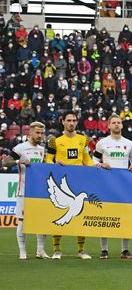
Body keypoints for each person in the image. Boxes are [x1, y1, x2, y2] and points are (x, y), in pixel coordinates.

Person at [45, 111, 95, 259]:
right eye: (69, 120)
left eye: (74, 120)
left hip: (80, 181)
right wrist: (55, 163)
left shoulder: (83, 140)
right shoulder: (55, 141)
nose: (72, 123)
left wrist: (97, 166)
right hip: (62, 182)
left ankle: (81, 250)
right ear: (63, 122)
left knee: (80, 216)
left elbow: (87, 159)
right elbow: (48, 160)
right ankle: (57, 250)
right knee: (59, 214)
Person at [93, 115, 132, 259]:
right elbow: (94, 159)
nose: (116, 125)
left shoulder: (129, 143)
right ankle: (104, 250)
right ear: (109, 125)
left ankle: (125, 250)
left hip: (124, 185)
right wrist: (100, 165)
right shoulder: (102, 143)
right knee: (104, 217)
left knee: (125, 217)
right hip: (106, 184)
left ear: (122, 125)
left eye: (119, 122)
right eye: (114, 123)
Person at [2, 121, 48, 259]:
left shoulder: (41, 150)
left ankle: (40, 250)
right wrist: (19, 162)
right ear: (30, 132)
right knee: (22, 221)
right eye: (37, 132)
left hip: (38, 191)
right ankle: (23, 251)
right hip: (23, 190)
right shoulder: (20, 148)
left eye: (41, 133)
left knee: (41, 221)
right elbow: (5, 162)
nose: (40, 135)